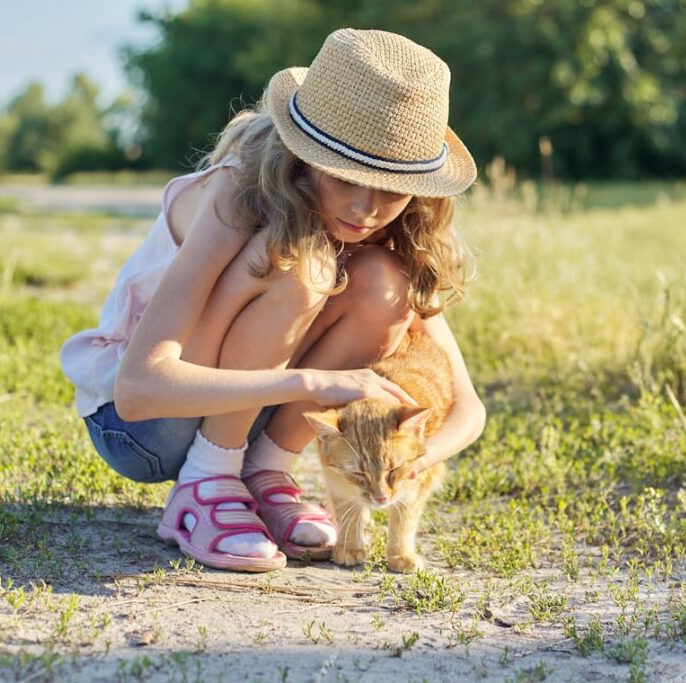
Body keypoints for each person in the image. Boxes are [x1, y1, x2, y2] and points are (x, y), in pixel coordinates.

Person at [60, 28, 487, 572]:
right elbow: (138, 391)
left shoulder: (388, 227)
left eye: (392, 187)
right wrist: (311, 384)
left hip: (248, 411)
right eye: (345, 177)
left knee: (385, 282)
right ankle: (207, 480)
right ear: (304, 154)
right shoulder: (236, 194)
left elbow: (469, 409)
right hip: (144, 425)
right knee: (301, 262)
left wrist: (410, 456)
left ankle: (264, 471)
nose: (365, 207)